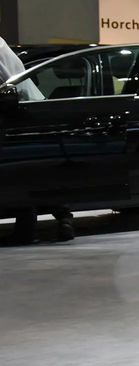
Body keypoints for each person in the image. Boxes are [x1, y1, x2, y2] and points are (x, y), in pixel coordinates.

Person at [0, 33, 73, 245]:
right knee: (31, 172)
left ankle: (28, 230)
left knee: (20, 171)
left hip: (18, 111)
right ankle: (63, 216)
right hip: (29, 107)